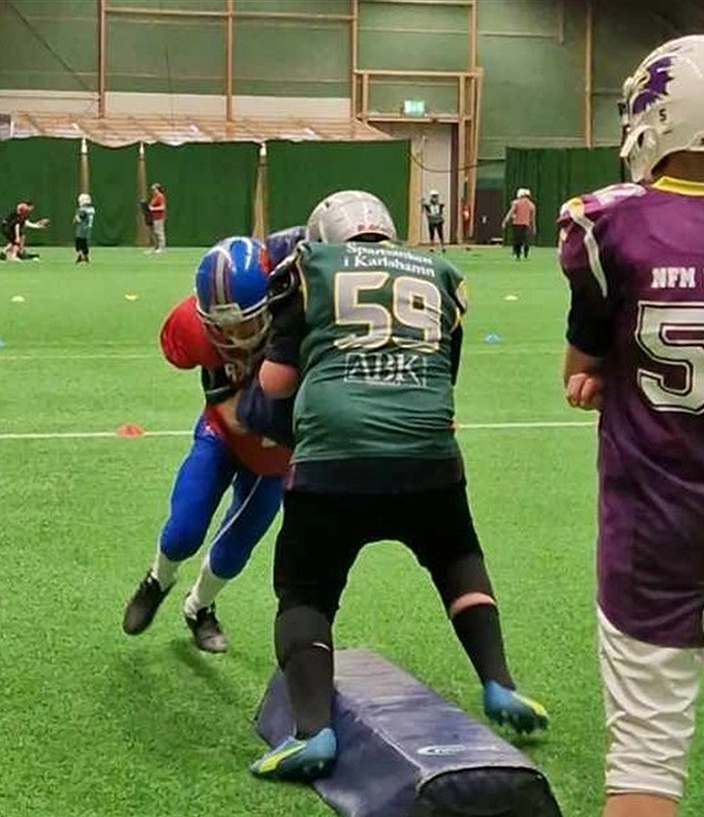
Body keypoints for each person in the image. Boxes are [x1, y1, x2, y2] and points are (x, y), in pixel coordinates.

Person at [517, 34, 704, 817]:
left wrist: (602, 372)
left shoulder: (609, 226)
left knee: (647, 758)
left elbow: (584, 361)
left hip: (659, 525)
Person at [248, 190, 548, 781]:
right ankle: (499, 682)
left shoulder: (309, 266)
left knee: (306, 593)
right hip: (428, 454)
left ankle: (312, 731)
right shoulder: (439, 273)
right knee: (456, 558)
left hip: (335, 455)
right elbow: (443, 374)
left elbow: (277, 382)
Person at [122, 230, 303, 653]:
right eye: (222, 326)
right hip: (220, 435)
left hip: (274, 459)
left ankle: (198, 607)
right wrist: (235, 404)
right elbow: (227, 407)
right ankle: (158, 579)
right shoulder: (191, 327)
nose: (234, 335)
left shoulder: (300, 321)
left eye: (245, 322)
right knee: (183, 530)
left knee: (232, 553)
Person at [502, 188, 536, 260]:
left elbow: (510, 213)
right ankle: (525, 254)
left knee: (517, 240)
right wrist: (534, 227)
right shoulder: (531, 205)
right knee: (526, 240)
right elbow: (532, 218)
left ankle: (518, 255)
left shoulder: (516, 203)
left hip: (517, 224)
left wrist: (505, 221)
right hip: (526, 224)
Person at [73, 192, 95, 264]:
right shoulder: (92, 209)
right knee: (84, 242)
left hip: (82, 228)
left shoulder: (82, 209)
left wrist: (76, 217)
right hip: (88, 228)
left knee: (79, 242)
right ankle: (85, 256)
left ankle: (80, 255)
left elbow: (79, 219)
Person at [148, 183, 166, 252]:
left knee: (159, 232)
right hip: (153, 217)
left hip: (159, 217)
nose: (153, 191)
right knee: (154, 232)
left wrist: (153, 209)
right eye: (152, 190)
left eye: (154, 189)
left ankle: (162, 248)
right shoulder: (154, 197)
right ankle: (156, 247)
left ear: (158, 189)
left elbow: (162, 207)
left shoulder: (160, 196)